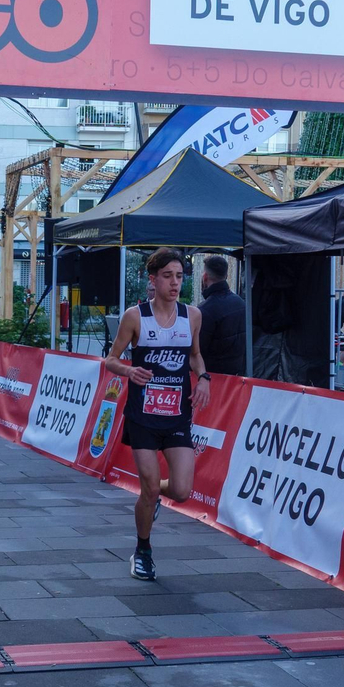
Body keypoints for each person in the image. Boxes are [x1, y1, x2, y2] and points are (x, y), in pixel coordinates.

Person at [104, 248, 209, 580]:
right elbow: (111, 360)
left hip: (176, 414)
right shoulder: (135, 317)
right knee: (148, 486)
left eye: (179, 276)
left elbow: (195, 355)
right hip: (143, 415)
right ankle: (143, 550)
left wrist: (203, 377)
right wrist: (129, 371)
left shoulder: (192, 315)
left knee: (181, 490)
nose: (175, 283)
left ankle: (154, 499)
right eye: (168, 276)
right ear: (153, 279)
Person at [197, 255, 246, 377]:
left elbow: (197, 351)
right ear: (226, 276)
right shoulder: (241, 303)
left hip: (212, 378)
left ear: (205, 277)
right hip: (236, 376)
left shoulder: (205, 310)